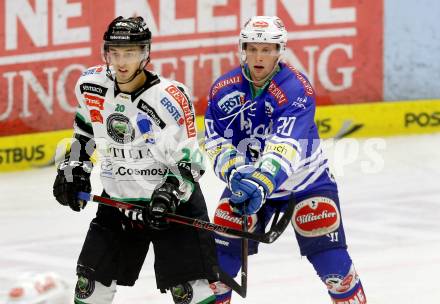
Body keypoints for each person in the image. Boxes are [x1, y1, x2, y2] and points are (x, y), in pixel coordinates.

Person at [53, 16, 219, 304]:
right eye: (114, 53)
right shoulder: (91, 85)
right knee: (90, 287)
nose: (120, 62)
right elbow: (84, 131)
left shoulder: (170, 97)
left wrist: (169, 194)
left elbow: (191, 160)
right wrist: (74, 169)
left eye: (129, 53)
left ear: (145, 54)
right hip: (120, 199)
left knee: (190, 292)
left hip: (171, 204)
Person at [205, 16, 367, 303]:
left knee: (336, 273)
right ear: (242, 48)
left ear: (279, 51)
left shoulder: (296, 89)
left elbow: (286, 147)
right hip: (248, 182)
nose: (258, 56)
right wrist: (234, 173)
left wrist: (260, 182)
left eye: (266, 49)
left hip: (306, 182)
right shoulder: (223, 89)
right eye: (252, 48)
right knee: (217, 272)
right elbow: (215, 140)